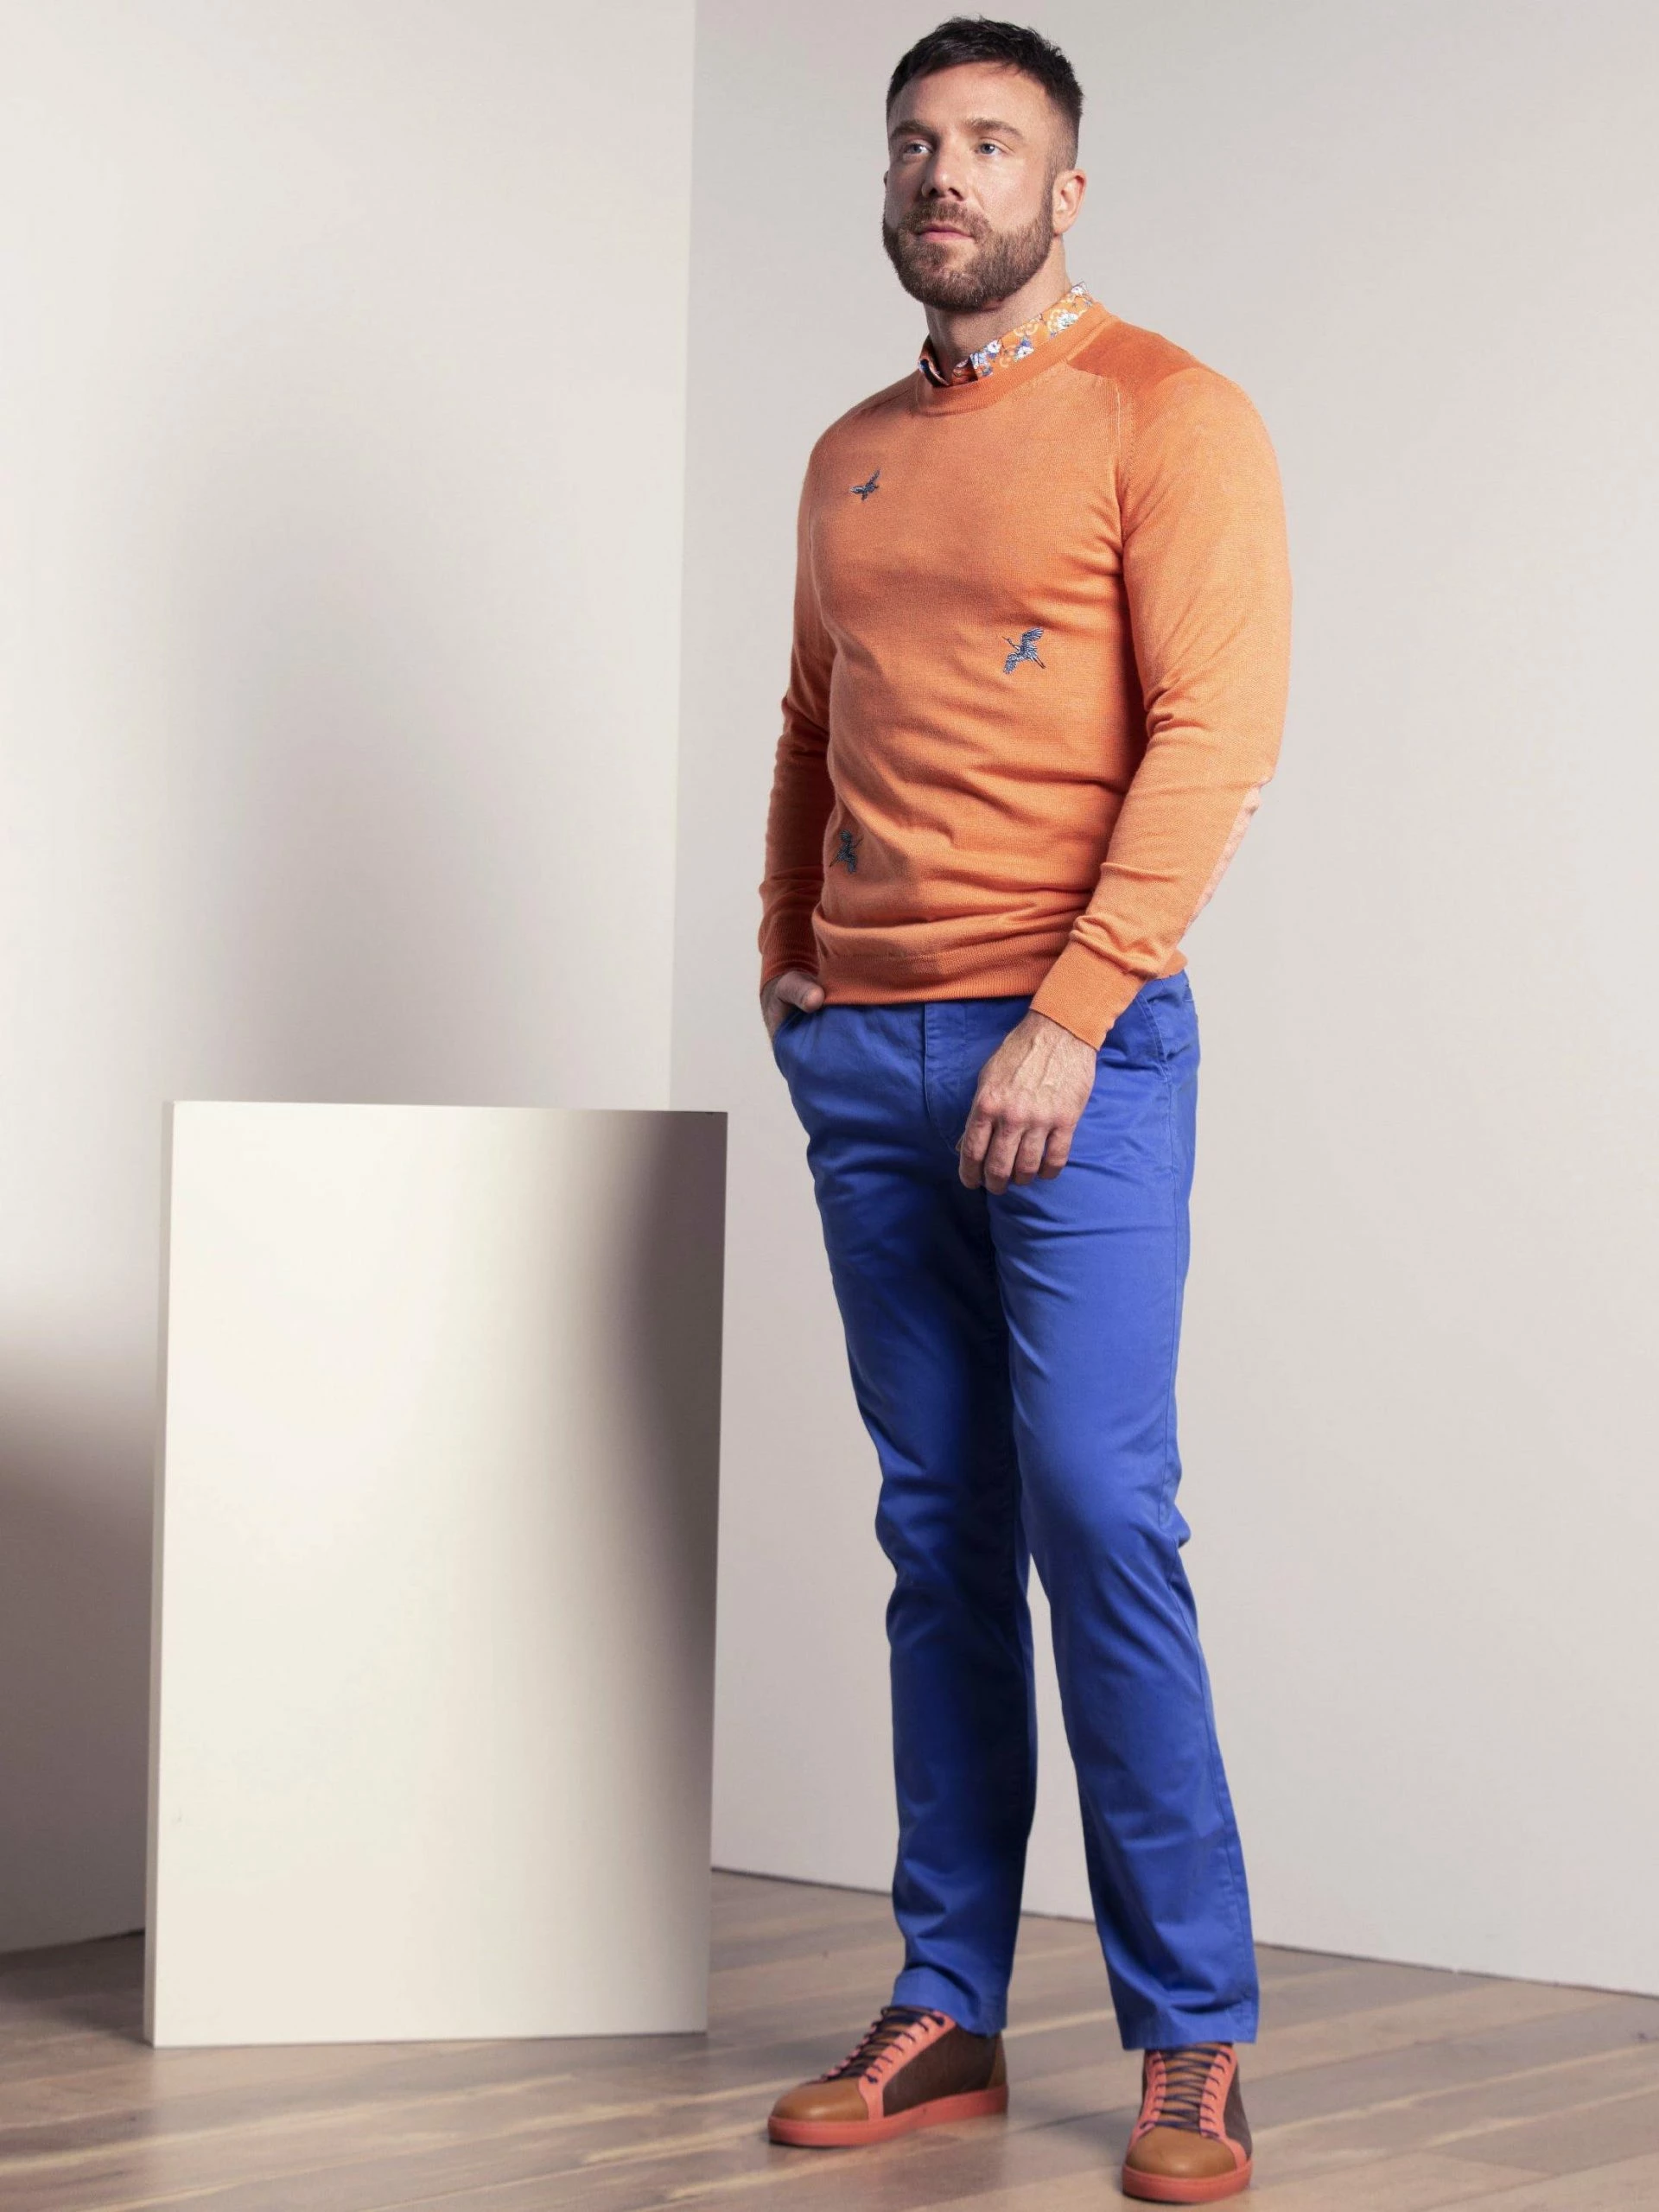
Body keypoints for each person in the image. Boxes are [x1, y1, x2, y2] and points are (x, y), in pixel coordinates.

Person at [755, 16, 1291, 2202]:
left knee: (1096, 1509)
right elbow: (815, 716)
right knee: (939, 1528)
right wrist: (786, 957)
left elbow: (1216, 730)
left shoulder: (1169, 412)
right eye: (917, 141)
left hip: (1077, 1042)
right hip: (868, 1048)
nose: (944, 172)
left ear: (1066, 191)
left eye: (989, 142)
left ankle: (1194, 2030)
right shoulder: (847, 452)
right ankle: (946, 2002)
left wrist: (1071, 1012)